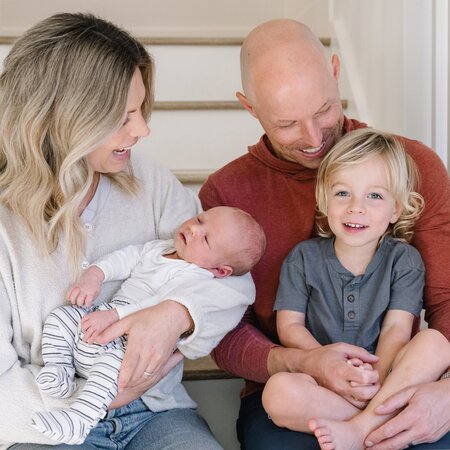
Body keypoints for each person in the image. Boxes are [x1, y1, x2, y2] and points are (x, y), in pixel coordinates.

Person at [0, 13, 256, 449]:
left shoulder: (151, 182)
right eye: (123, 117)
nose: (143, 130)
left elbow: (231, 282)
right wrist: (91, 398)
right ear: (60, 120)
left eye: (140, 111)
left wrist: (177, 313)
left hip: (155, 412)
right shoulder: (8, 225)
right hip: (47, 425)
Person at [198, 18, 450, 450]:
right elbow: (225, 333)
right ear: (249, 106)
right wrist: (309, 363)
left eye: (323, 110)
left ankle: (363, 427)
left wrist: (447, 392)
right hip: (296, 385)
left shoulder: (412, 165)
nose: (314, 139)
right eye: (287, 123)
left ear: (335, 71)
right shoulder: (226, 195)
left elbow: (444, 302)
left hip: (400, 382)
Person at [261, 128, 450, 450]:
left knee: (435, 343)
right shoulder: (303, 258)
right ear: (323, 199)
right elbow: (289, 326)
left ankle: (358, 430)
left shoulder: (404, 259)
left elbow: (397, 328)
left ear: (396, 209)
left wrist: (374, 377)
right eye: (342, 193)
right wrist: (329, 365)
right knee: (277, 392)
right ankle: (380, 427)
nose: (356, 207)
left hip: (389, 376)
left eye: (374, 195)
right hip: (327, 380)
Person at [32, 206, 266, 445]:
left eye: (205, 238)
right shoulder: (160, 248)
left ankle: (79, 419)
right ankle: (59, 368)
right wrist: (95, 275)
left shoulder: (197, 279)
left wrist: (116, 315)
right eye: (199, 219)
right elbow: (125, 258)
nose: (194, 228)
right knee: (63, 317)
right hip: (103, 321)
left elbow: (157, 309)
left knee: (115, 370)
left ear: (220, 270)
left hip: (129, 345)